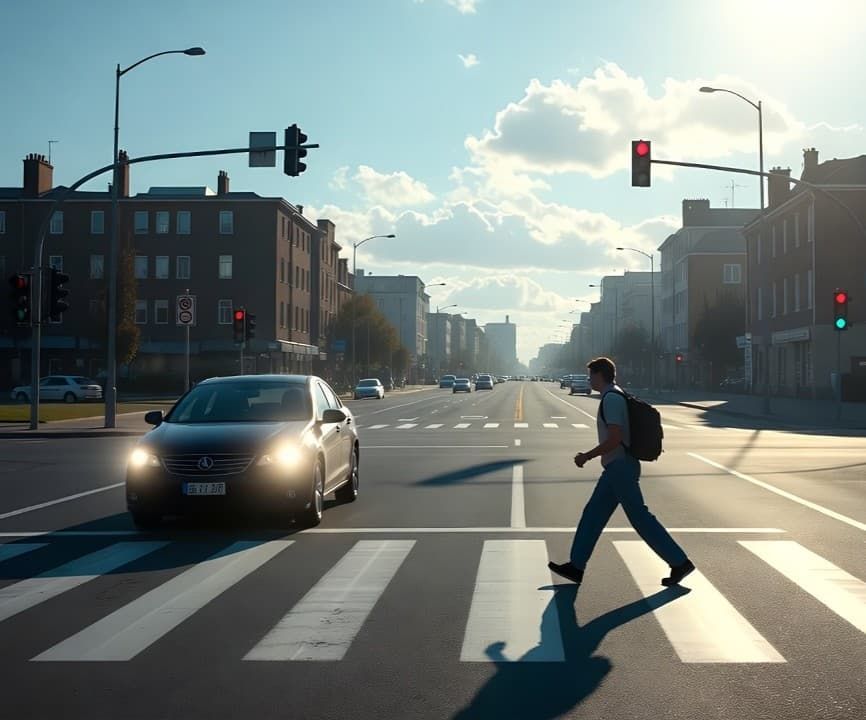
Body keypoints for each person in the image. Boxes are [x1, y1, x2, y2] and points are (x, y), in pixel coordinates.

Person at [548, 357, 695, 588]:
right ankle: (576, 566)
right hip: (616, 468)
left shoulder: (611, 399)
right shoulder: (615, 394)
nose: (589, 380)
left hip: (621, 467)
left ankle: (679, 562)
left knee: (639, 518)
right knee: (593, 515)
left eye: (590, 375)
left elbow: (615, 438)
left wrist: (587, 456)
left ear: (600, 375)